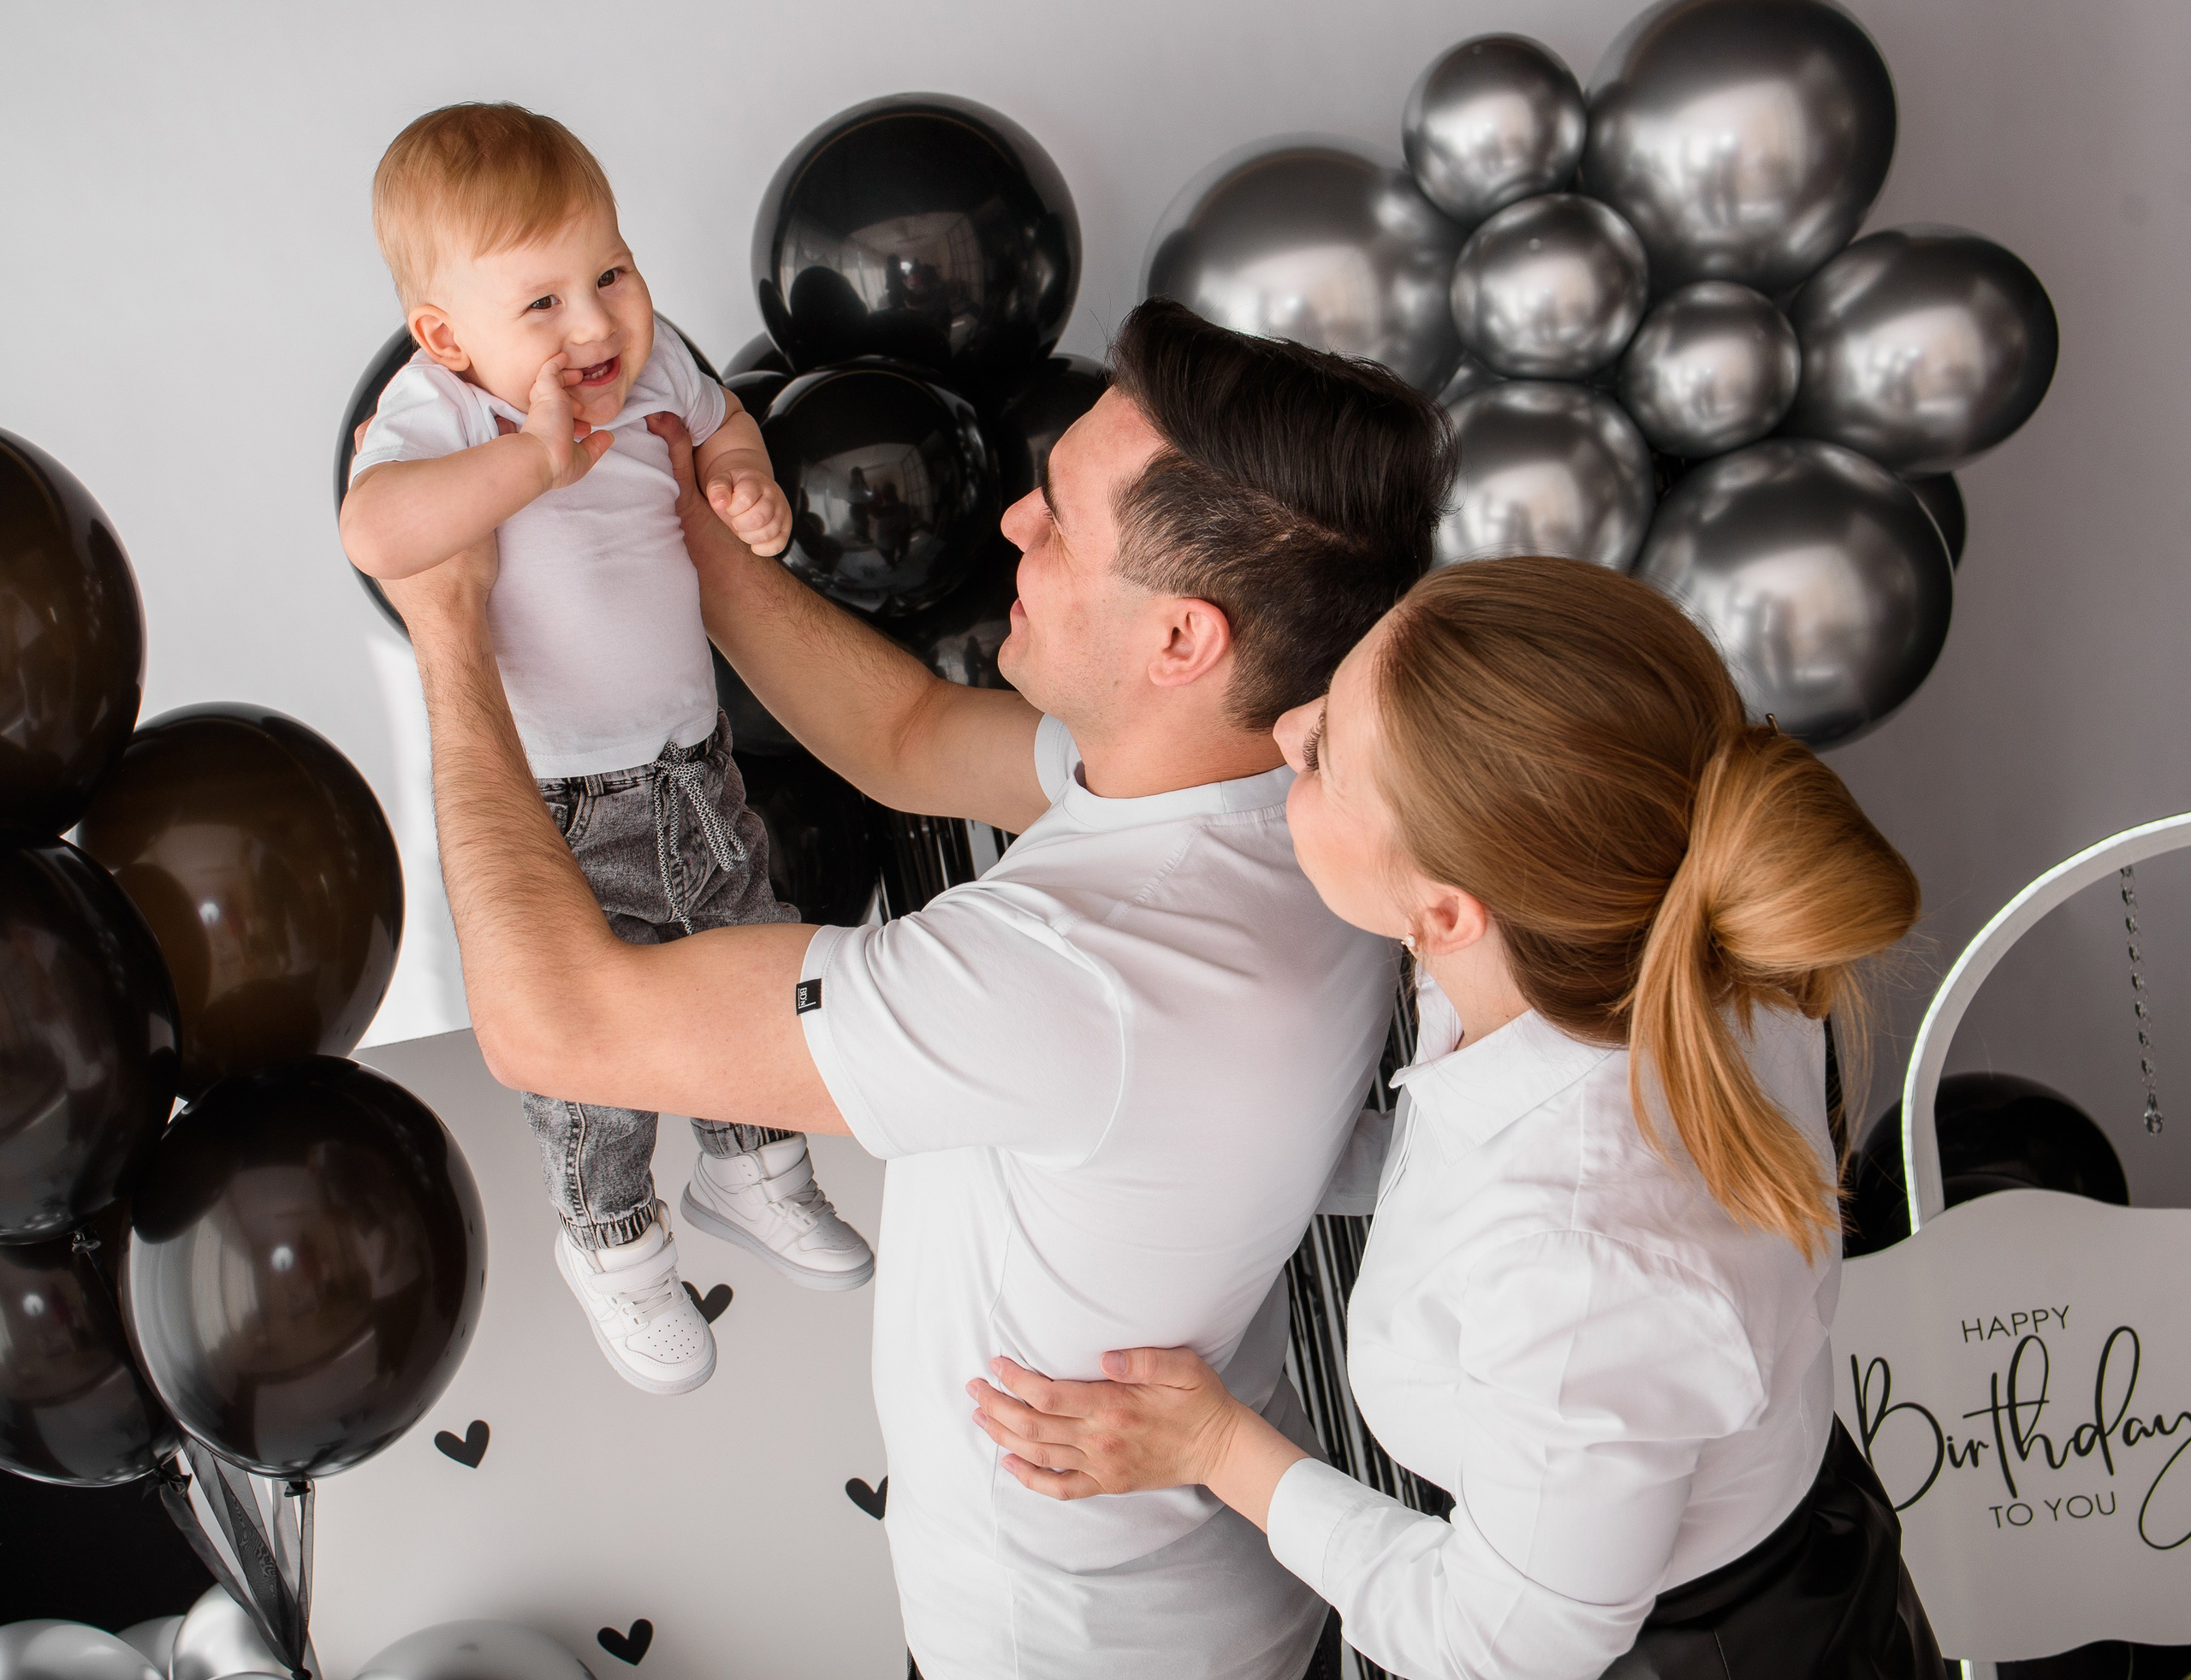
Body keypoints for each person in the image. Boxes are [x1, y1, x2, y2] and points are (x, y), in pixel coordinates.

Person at [377, 298, 1458, 1678]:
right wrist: (671, 513)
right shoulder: (1288, 803)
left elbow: (558, 1028)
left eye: (1060, 522)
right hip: (1211, 1610)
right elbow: (907, 733)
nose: (1013, 522)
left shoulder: (1074, 971)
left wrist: (449, 634)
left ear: (1184, 642)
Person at [967, 557, 1944, 1680]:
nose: (1283, 730)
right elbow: (1474, 1172)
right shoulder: (1629, 929)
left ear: (1443, 911)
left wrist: (1217, 1446)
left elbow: (1495, 1647)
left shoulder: (1584, 1275)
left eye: (1325, 756)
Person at [344, 103, 874, 1398]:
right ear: (447, 336)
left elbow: (721, 420)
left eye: (613, 273)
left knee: (740, 962)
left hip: (696, 764)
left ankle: (756, 1172)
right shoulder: (440, 411)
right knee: (594, 1055)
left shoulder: (650, 366)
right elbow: (377, 529)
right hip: (556, 807)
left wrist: (746, 481)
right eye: (543, 304)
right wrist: (528, 466)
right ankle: (616, 1245)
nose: (596, 326)